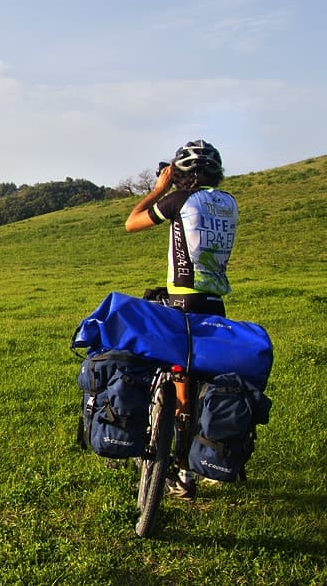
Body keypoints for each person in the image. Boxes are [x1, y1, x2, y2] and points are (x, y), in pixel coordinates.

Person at [124, 139, 238, 499]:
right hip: (215, 306)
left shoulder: (178, 200)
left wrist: (159, 188)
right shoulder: (229, 203)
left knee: (178, 387)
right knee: (197, 383)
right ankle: (201, 457)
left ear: (181, 174)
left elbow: (132, 224)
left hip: (182, 303)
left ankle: (179, 470)